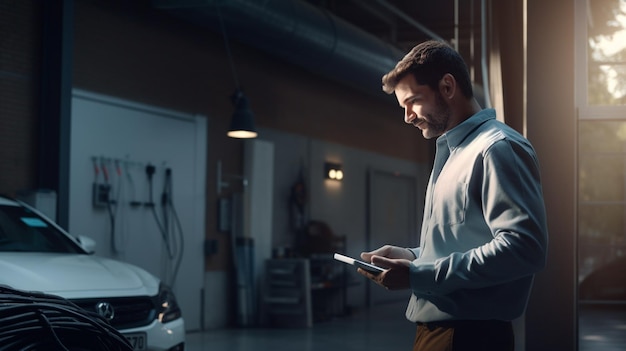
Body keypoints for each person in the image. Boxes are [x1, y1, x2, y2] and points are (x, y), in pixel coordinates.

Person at [357, 40, 548, 351]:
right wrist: (414, 257)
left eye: (414, 101)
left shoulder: (497, 148)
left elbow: (524, 248)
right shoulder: (453, 152)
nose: (407, 116)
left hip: (470, 337)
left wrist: (418, 275)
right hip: (439, 333)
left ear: (447, 86)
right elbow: (463, 240)